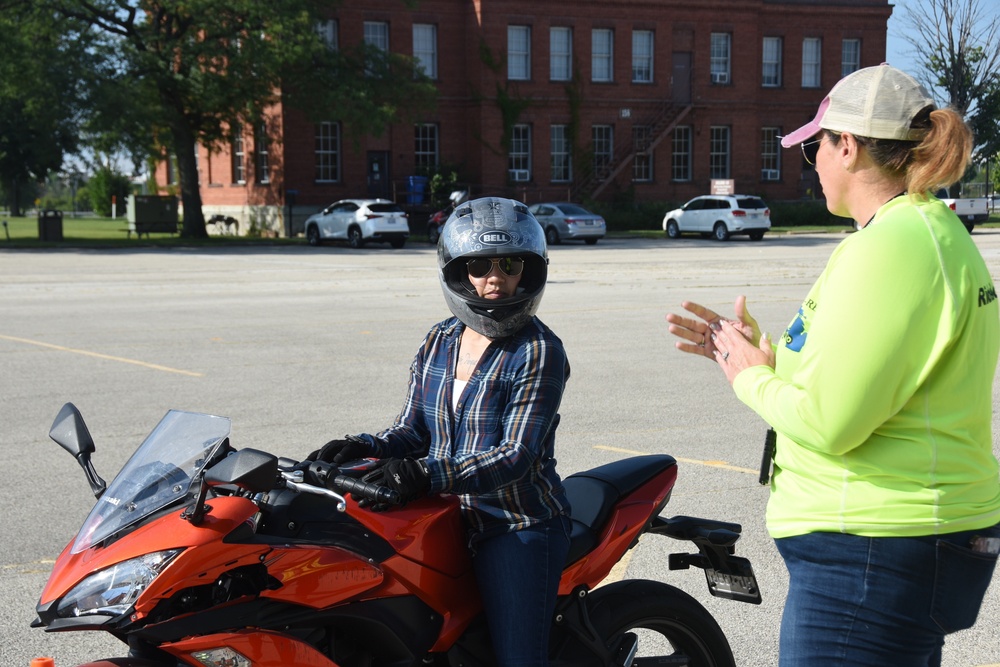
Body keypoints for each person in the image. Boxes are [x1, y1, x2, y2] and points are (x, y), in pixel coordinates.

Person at [666, 64, 1000, 666]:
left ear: (847, 146)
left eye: (814, 147)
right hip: (897, 540)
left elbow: (830, 421)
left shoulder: (893, 246)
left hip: (873, 546)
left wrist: (750, 377)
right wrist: (765, 355)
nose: (812, 162)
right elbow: (867, 375)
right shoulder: (925, 231)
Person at [307, 197, 572, 667]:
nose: (495, 277)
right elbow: (411, 431)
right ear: (457, 270)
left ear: (528, 271)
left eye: (510, 263)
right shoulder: (440, 338)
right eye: (479, 265)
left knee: (518, 660)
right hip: (444, 515)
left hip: (513, 522)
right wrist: (359, 447)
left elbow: (515, 457)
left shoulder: (539, 351)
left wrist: (425, 476)